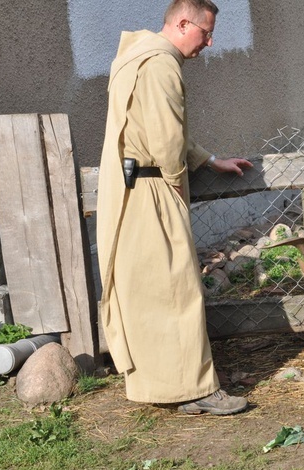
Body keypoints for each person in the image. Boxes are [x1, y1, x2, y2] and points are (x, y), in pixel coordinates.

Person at [96, 0, 252, 415]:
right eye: (205, 32)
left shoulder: (133, 56)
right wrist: (177, 189)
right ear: (183, 23)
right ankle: (196, 389)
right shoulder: (162, 64)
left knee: (148, 291)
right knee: (179, 288)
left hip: (127, 188)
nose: (210, 42)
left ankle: (165, 385)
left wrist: (209, 159)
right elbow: (167, 142)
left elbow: (160, 128)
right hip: (153, 188)